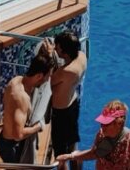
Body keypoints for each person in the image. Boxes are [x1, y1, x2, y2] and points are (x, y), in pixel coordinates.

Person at [56, 99, 130, 170]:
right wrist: (70, 156)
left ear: (119, 123)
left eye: (106, 123)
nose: (102, 126)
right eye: (102, 123)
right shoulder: (101, 134)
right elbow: (95, 153)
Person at [0, 50, 52, 163]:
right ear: (39, 76)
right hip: (11, 147)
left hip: (5, 139)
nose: (47, 80)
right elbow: (17, 135)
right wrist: (38, 126)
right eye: (47, 77)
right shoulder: (21, 98)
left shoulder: (16, 80)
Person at [50, 31, 89, 170]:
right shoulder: (82, 56)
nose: (55, 49)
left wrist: (48, 55)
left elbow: (49, 81)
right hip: (73, 103)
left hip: (61, 112)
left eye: (57, 47)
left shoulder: (66, 71)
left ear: (65, 53)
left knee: (60, 153)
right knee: (73, 146)